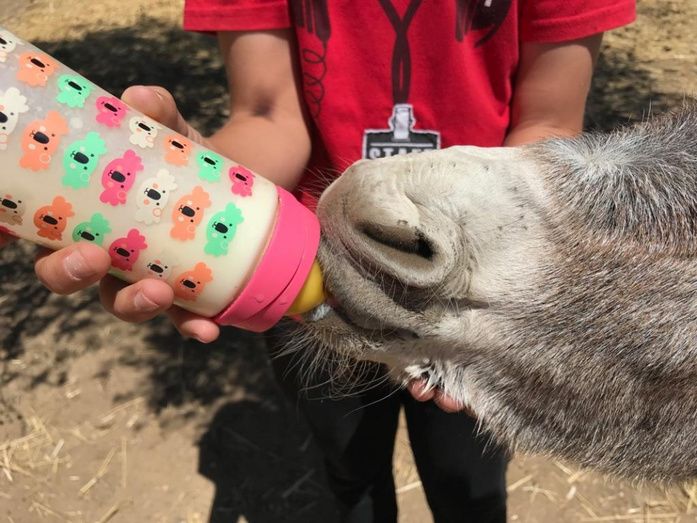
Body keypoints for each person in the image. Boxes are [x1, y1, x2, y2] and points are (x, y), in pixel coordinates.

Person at [2, 1, 636, 521]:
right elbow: (269, 115)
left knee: (467, 481)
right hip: (307, 275)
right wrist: (191, 183)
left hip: (470, 300)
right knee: (351, 474)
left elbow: (550, 126)